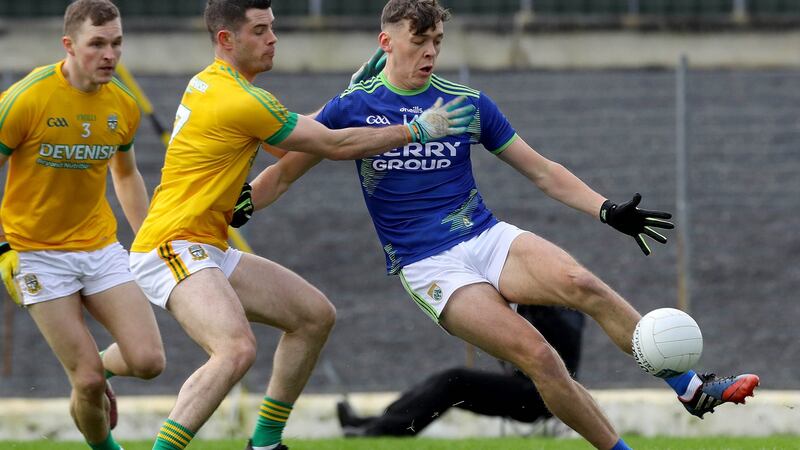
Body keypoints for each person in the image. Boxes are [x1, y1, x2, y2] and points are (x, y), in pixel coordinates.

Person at [233, 1, 761, 449]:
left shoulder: (466, 103)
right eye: (419, 40)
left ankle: (692, 388)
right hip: (427, 263)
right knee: (540, 359)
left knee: (585, 285)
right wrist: (242, 206)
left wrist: (606, 209)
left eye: (437, 40)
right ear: (386, 42)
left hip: (485, 235)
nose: (431, 52)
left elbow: (542, 171)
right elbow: (281, 168)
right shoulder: (354, 108)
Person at [126, 1, 475, 450]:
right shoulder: (240, 98)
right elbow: (331, 143)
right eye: (259, 31)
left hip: (203, 244)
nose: (273, 39)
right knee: (235, 350)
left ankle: (265, 443)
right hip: (170, 245)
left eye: (272, 28)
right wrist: (415, 129)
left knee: (313, 316)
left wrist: (345, 97)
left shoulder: (217, 84)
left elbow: (300, 133)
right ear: (226, 40)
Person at [0, 1, 166, 450]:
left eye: (116, 43)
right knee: (87, 380)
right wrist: (2, 248)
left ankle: (96, 371)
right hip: (34, 253)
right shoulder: (26, 98)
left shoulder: (123, 106)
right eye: (97, 44)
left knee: (150, 361)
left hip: (99, 246)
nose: (109, 55)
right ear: (69, 46)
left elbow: (126, 174)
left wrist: (150, 241)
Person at [336, 305, 585, 437]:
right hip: (529, 389)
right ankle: (374, 423)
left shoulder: (558, 311)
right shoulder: (554, 307)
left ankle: (382, 430)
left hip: (539, 397)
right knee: (447, 380)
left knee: (454, 382)